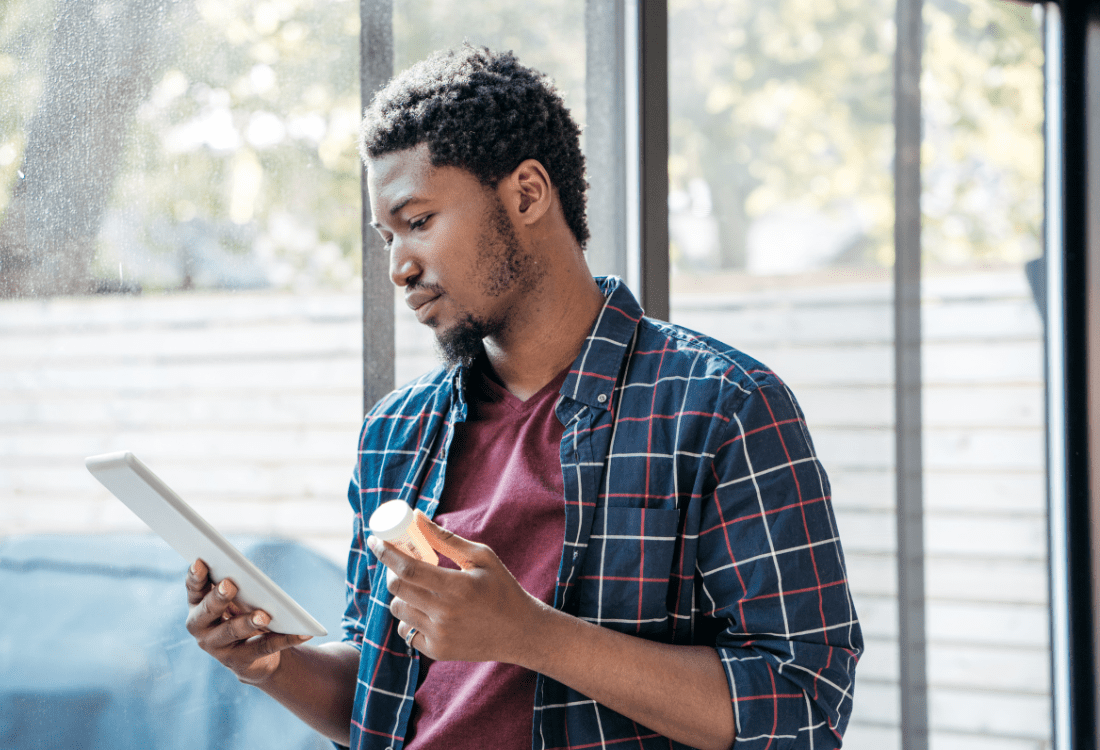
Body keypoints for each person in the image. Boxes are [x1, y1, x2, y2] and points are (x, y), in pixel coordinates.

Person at [185, 46, 862, 750]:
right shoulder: (394, 433)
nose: (399, 267)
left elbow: (803, 706)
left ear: (528, 194)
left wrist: (531, 635)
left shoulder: (724, 407)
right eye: (386, 237)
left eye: (418, 222)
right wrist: (270, 662)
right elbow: (379, 697)